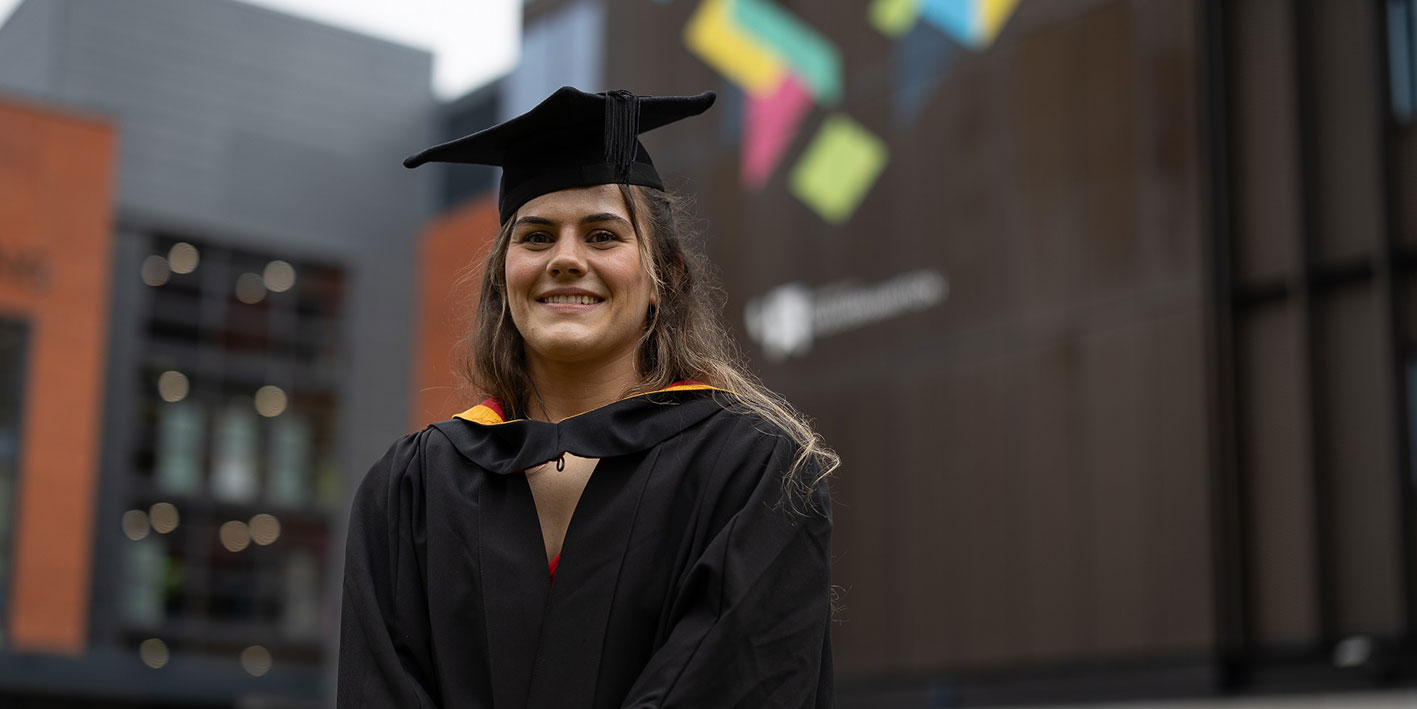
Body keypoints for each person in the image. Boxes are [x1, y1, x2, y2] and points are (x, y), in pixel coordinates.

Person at [337, 87, 837, 708]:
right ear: (503, 275)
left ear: (665, 278)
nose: (566, 259)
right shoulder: (410, 488)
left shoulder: (754, 470)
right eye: (537, 237)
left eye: (602, 236)